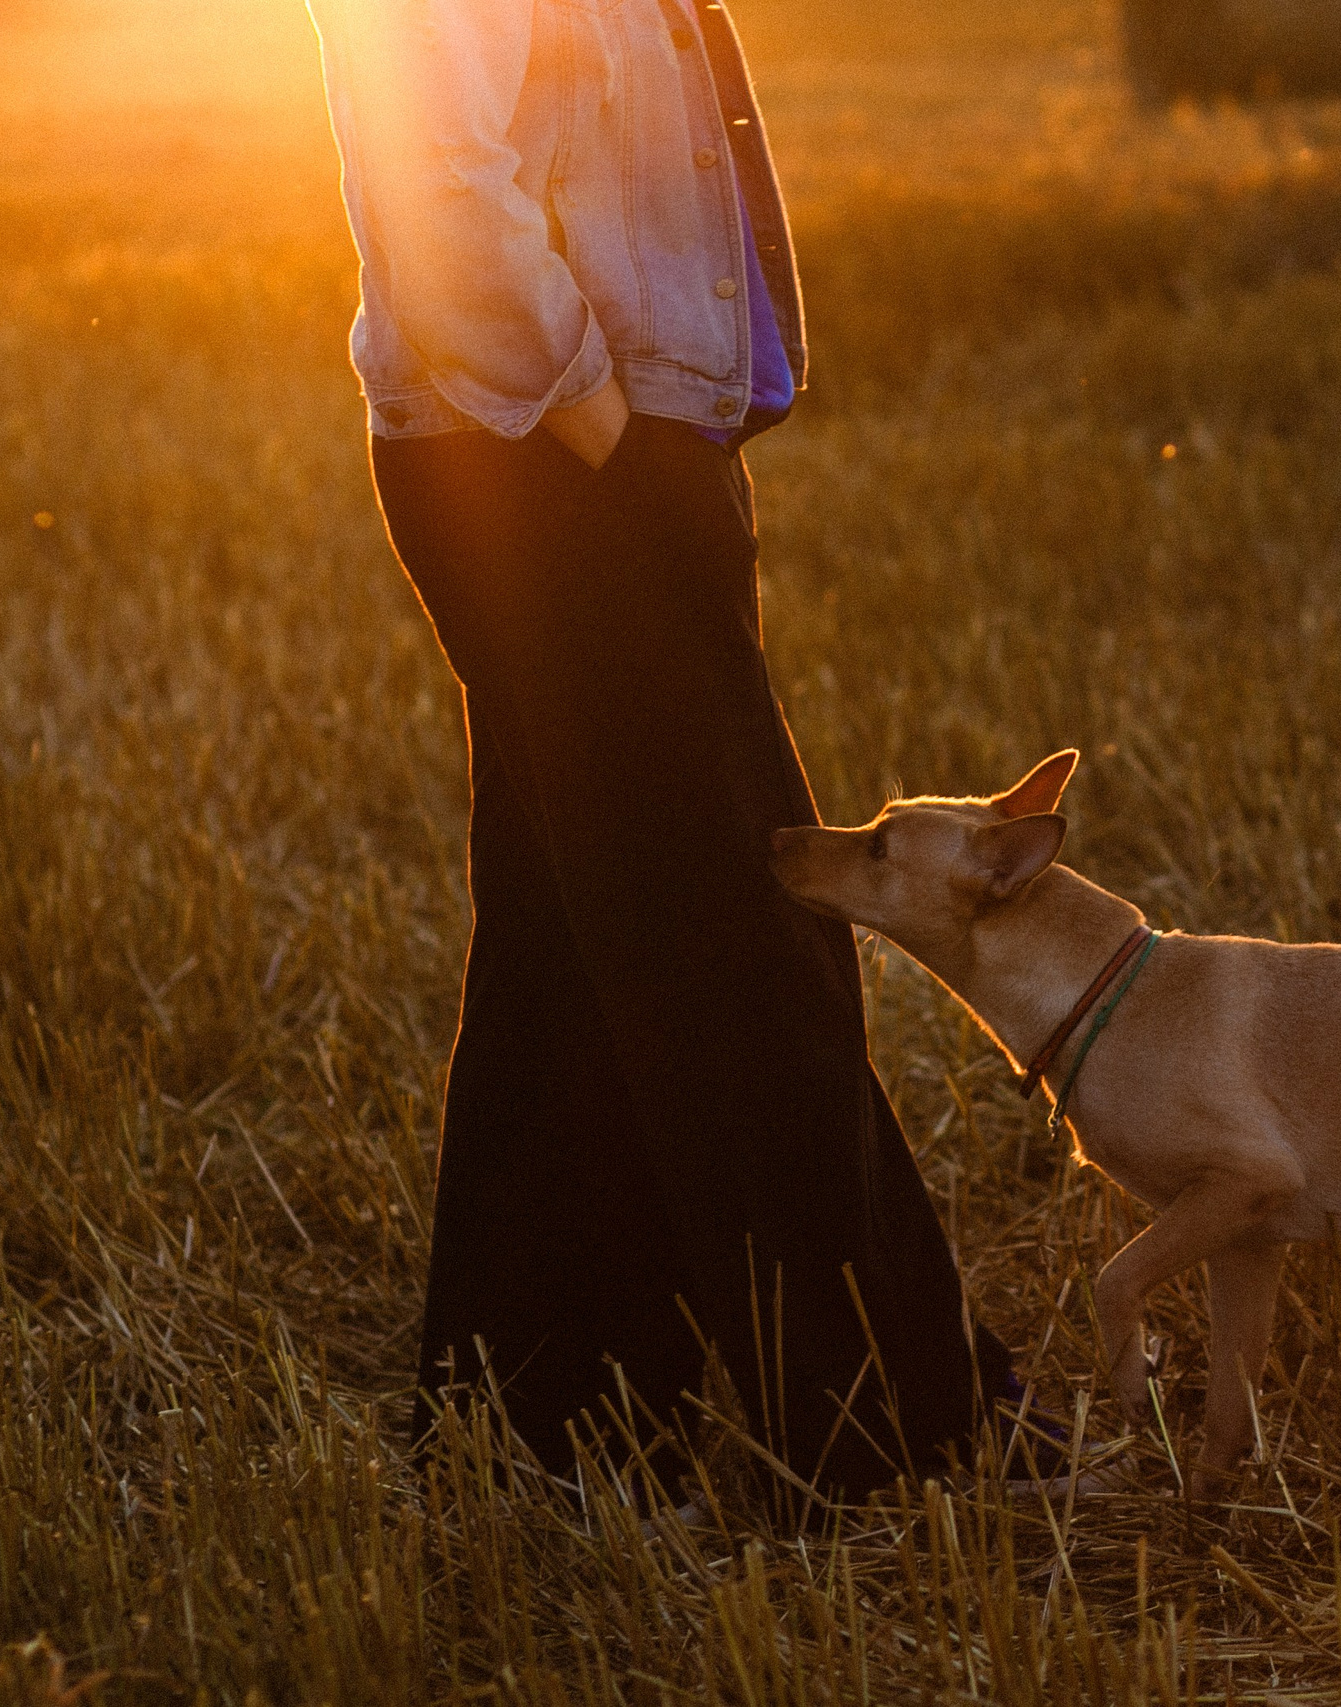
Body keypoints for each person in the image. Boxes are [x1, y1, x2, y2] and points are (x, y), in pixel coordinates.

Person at [305, 0, 1023, 1498]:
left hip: (586, 446)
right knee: (743, 927)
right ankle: (890, 1425)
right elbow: (435, 167)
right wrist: (606, 426)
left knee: (578, 939)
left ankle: (541, 1407)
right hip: (538, 457)